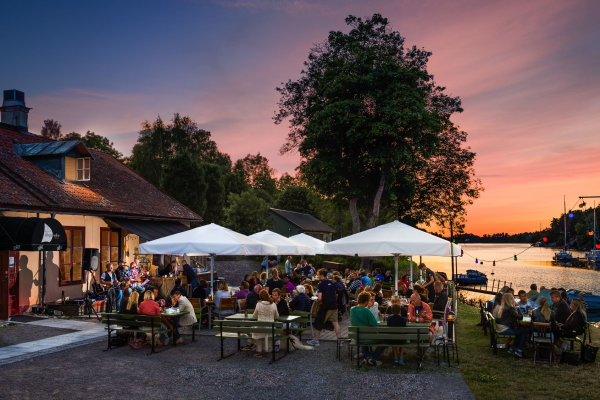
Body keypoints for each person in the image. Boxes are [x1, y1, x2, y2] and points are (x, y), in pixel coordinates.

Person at [350, 291, 386, 367]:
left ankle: (368, 356)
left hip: (357, 337)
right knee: (385, 339)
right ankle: (374, 357)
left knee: (362, 336)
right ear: (366, 301)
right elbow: (375, 324)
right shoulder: (366, 311)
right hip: (368, 337)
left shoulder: (352, 309)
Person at [307, 268, 341, 346]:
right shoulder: (332, 283)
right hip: (334, 305)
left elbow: (320, 298)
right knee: (335, 322)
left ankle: (316, 341)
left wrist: (316, 300)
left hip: (325, 306)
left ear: (322, 275)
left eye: (318, 275)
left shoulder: (321, 284)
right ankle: (340, 341)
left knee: (318, 322)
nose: (317, 276)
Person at [243, 289, 279, 357]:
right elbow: (276, 316)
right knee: (260, 330)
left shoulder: (258, 304)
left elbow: (254, 316)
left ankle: (258, 350)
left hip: (260, 328)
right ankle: (268, 348)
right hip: (270, 329)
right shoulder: (273, 304)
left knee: (256, 330)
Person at [496, 292, 526, 358]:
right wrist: (518, 307)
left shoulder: (503, 306)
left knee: (520, 331)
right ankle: (519, 351)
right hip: (504, 329)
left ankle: (512, 348)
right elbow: (520, 317)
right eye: (513, 298)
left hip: (500, 328)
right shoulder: (509, 308)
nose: (514, 299)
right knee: (524, 331)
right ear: (510, 299)